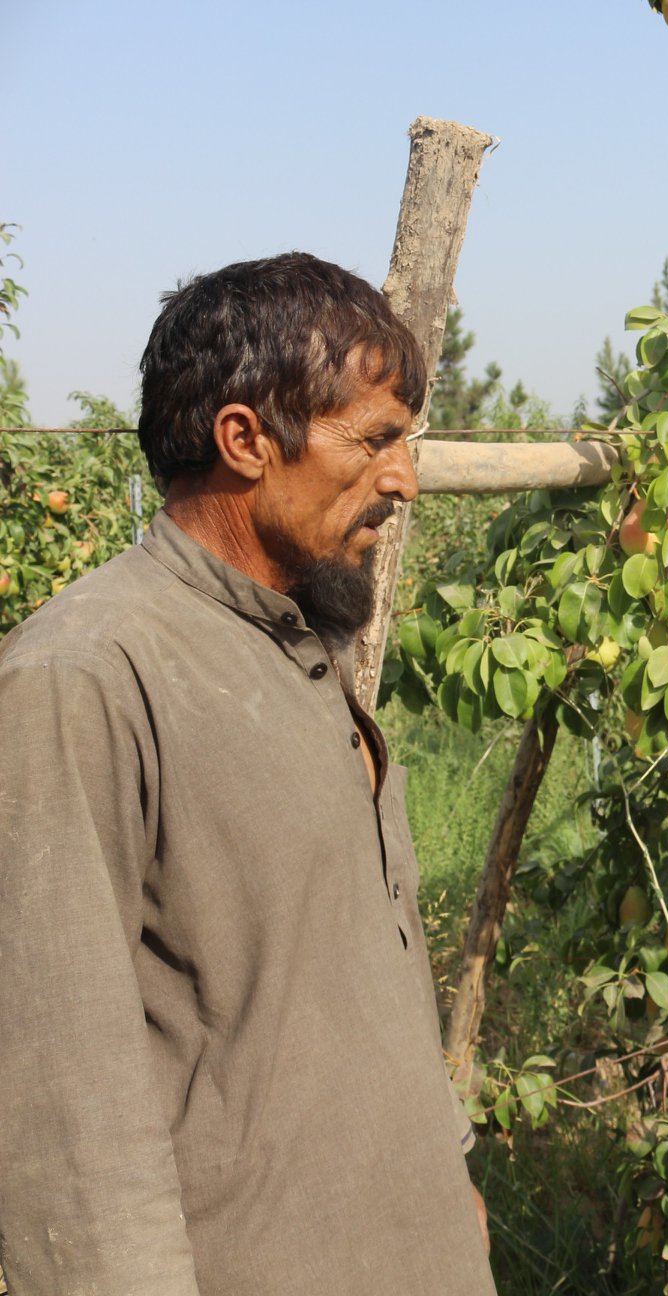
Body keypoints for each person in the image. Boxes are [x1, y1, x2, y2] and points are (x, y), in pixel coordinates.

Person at [0, 253, 496, 1294]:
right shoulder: (84, 674)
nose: (402, 479)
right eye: (373, 441)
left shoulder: (295, 643)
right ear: (245, 440)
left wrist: (447, 1182)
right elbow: (57, 1099)